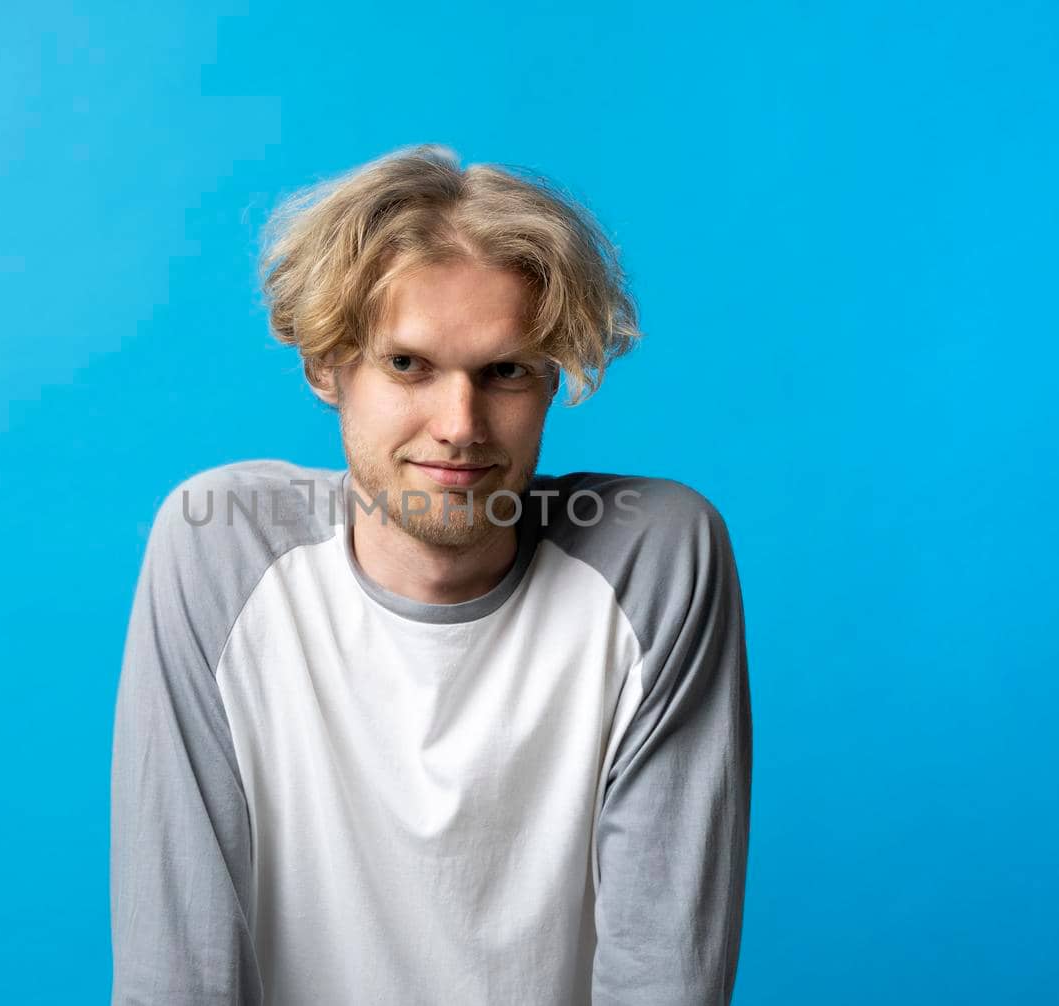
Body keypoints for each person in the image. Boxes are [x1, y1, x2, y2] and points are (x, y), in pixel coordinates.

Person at [110, 144, 752, 1005]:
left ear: (553, 379)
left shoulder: (656, 558)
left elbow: (664, 978)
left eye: (505, 372)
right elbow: (176, 973)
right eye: (407, 364)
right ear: (328, 367)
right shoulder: (216, 551)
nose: (460, 425)